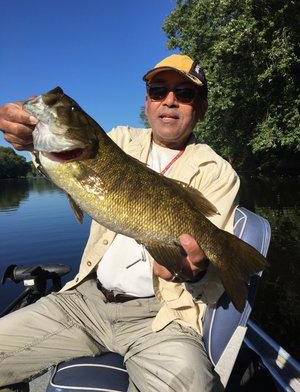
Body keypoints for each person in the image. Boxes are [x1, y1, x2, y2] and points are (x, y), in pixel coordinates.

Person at [0, 54, 239, 392]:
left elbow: (203, 271)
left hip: (160, 316)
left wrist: (193, 269)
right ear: (147, 102)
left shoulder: (217, 172)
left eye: (184, 94)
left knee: (191, 384)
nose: (169, 101)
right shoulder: (119, 139)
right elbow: (59, 159)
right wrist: (27, 138)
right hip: (85, 301)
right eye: (159, 91)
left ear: (200, 108)